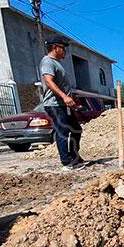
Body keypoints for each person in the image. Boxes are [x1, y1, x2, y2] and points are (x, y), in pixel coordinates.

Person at [39, 35, 84, 171]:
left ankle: (74, 157)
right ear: (55, 48)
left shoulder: (57, 63)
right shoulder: (48, 62)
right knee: (63, 132)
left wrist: (72, 102)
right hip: (54, 104)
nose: (65, 51)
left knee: (76, 129)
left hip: (63, 104)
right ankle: (66, 163)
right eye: (63, 48)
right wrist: (64, 97)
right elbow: (48, 81)